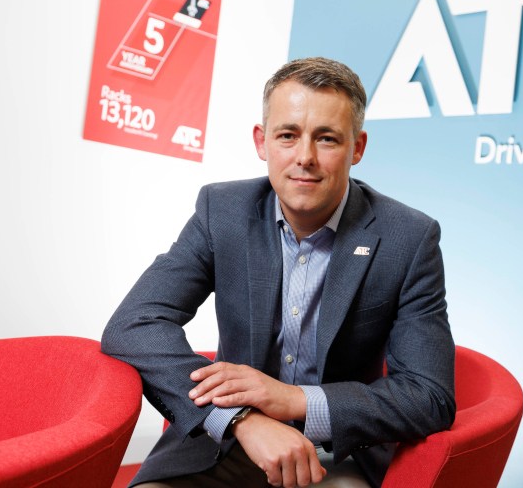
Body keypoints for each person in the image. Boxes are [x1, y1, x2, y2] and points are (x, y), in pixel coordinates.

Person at [102, 57, 455, 488]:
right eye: (288, 135)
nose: (304, 157)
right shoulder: (222, 212)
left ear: (357, 148)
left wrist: (293, 400)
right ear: (262, 141)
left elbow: (429, 396)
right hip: (225, 445)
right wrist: (242, 420)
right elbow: (134, 325)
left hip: (335, 455)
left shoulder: (408, 238)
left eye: (327, 139)